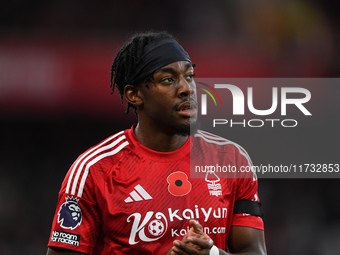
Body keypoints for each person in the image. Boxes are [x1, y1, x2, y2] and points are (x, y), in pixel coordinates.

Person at [46, 31, 267, 255]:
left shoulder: (231, 159)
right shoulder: (94, 171)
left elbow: (254, 251)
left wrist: (212, 254)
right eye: (168, 80)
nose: (186, 89)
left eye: (189, 76)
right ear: (134, 94)